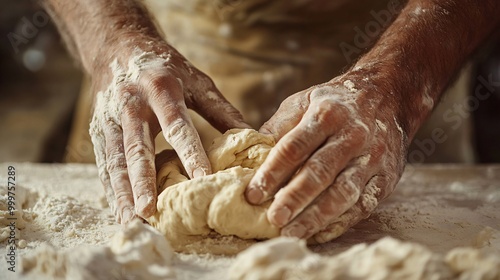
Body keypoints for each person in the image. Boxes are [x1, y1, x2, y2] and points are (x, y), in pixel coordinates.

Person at [41, 0, 500, 243]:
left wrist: (397, 88)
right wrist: (114, 44)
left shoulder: (397, 89)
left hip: (399, 73)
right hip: (153, 83)